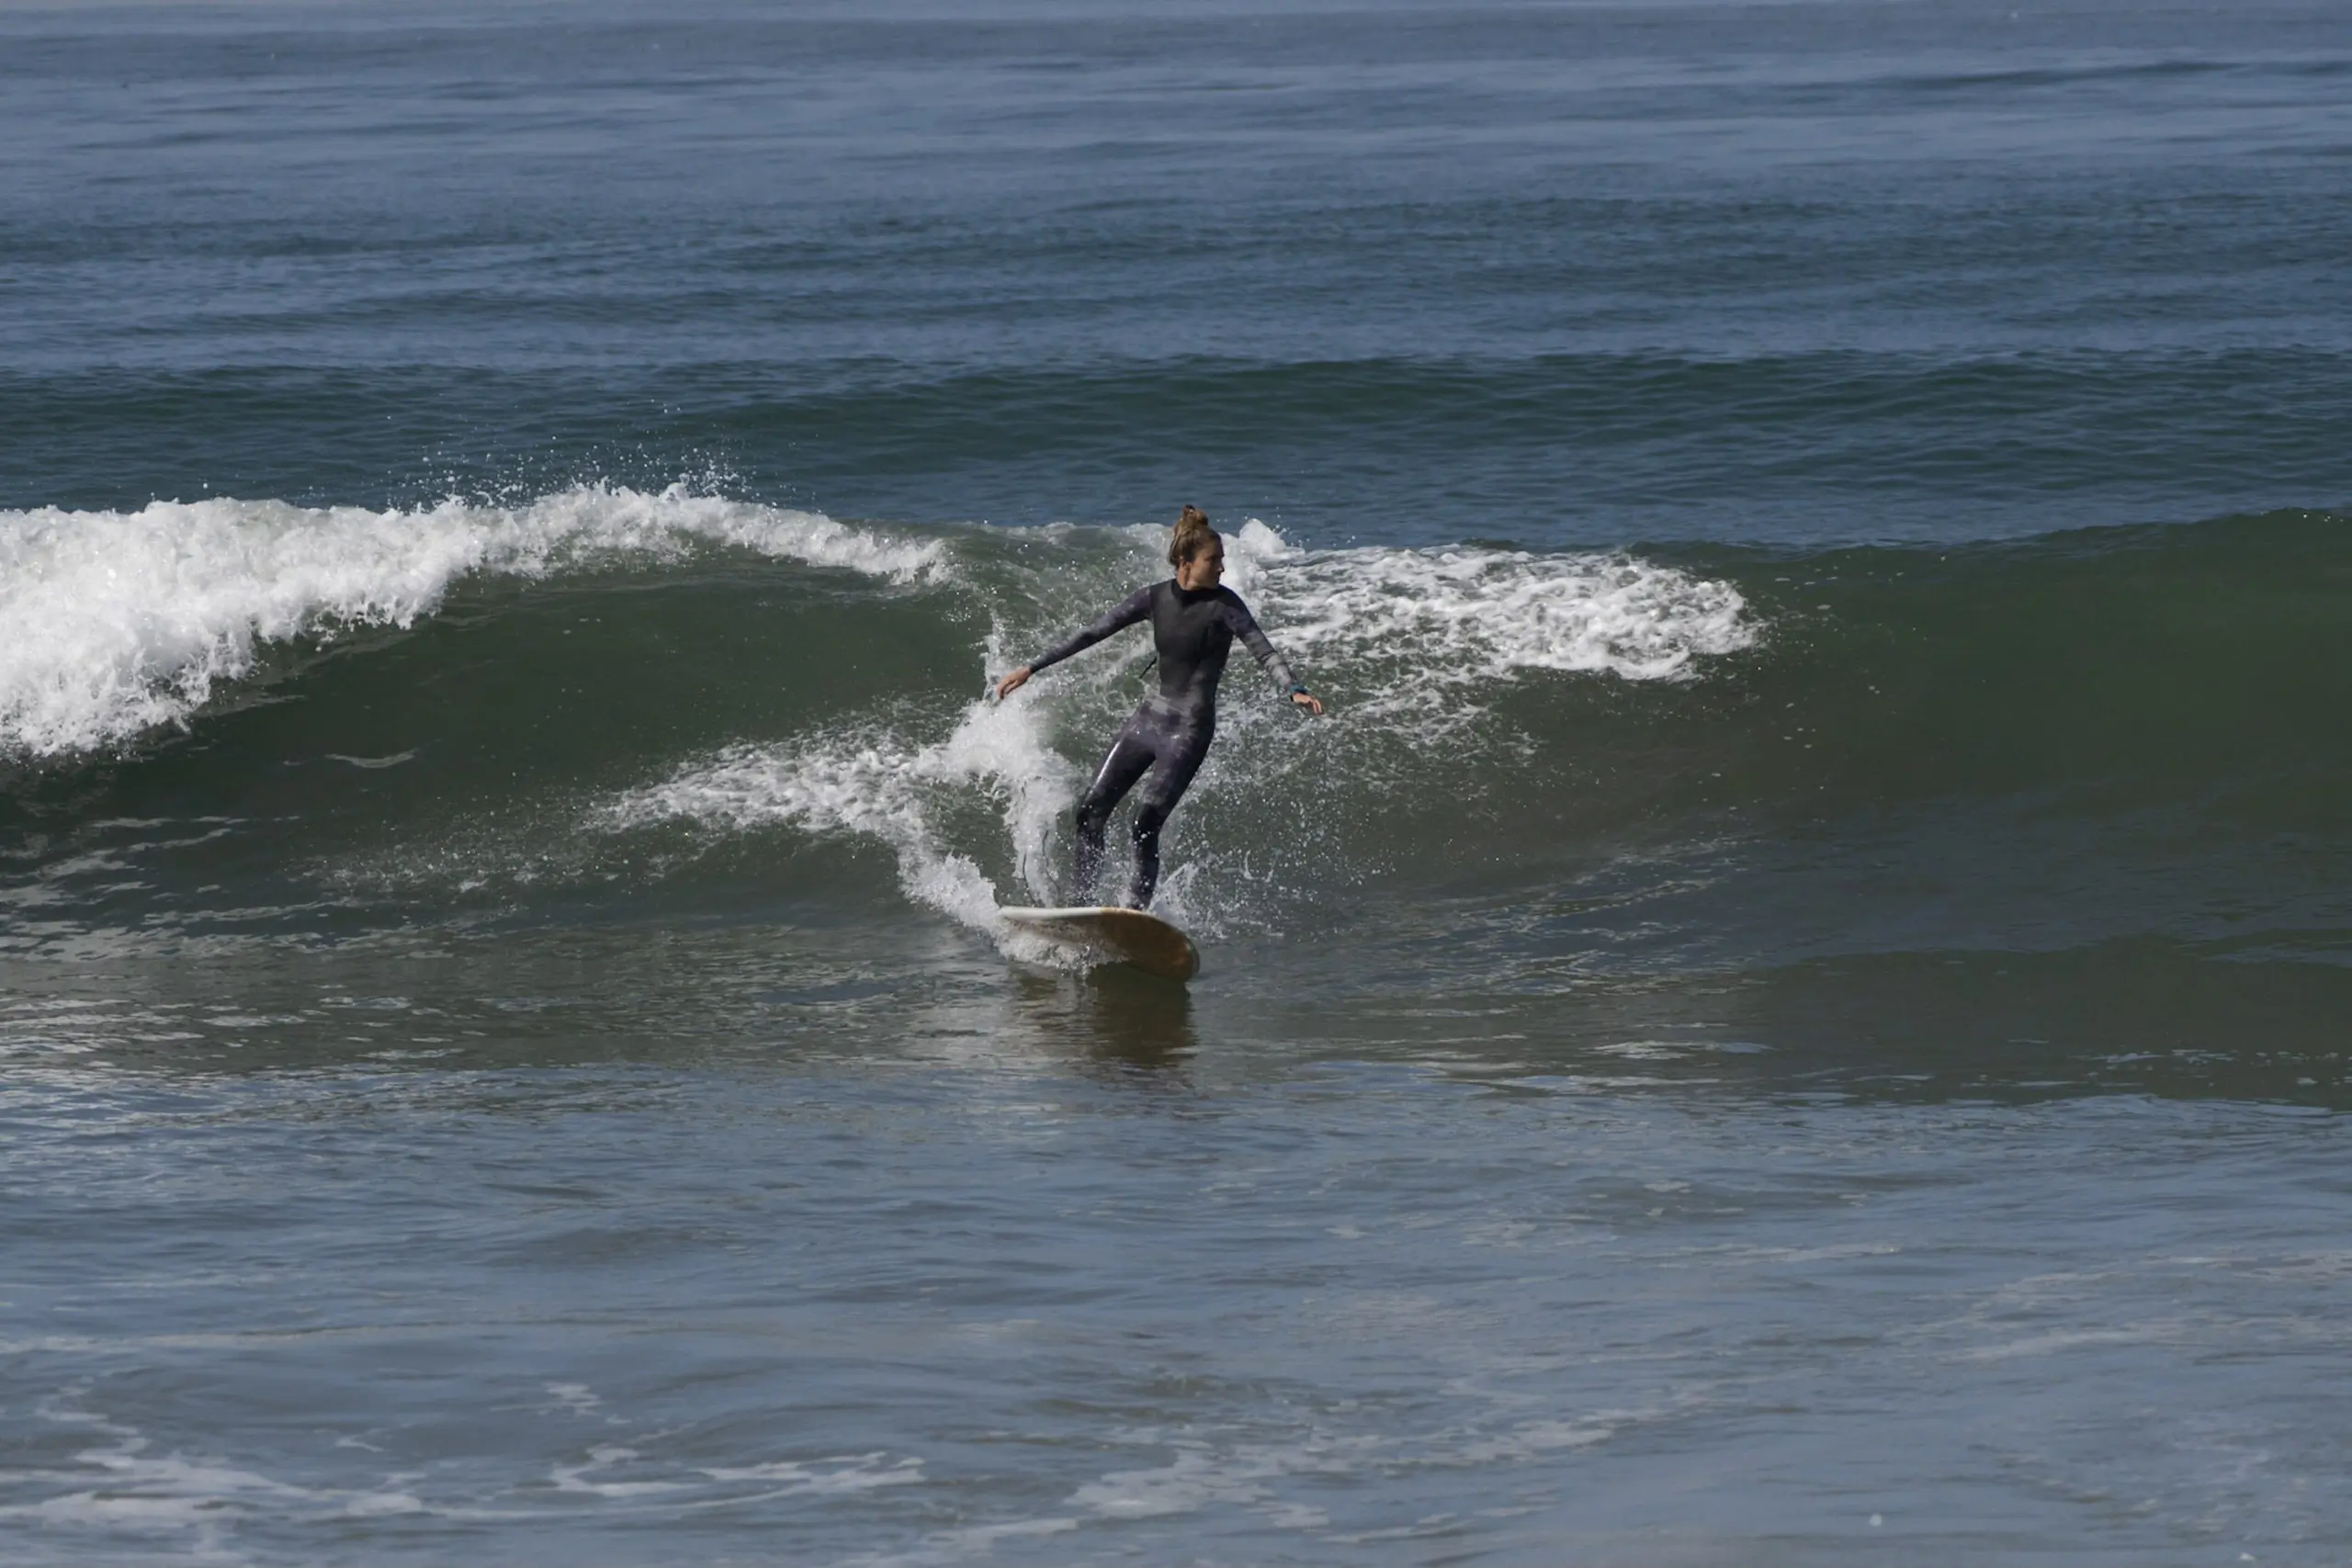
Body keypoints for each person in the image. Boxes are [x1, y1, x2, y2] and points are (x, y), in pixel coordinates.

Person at [996, 505, 1324, 909]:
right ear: (1186, 562)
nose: (1222, 568)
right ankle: (1080, 905)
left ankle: (1135, 915)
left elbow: (1264, 651)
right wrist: (1032, 667)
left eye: (1221, 560)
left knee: (1144, 823)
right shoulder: (1153, 598)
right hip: (1148, 721)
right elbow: (1091, 633)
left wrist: (1293, 688)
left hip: (1189, 729)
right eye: (1214, 560)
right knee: (1090, 812)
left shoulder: (1226, 606)